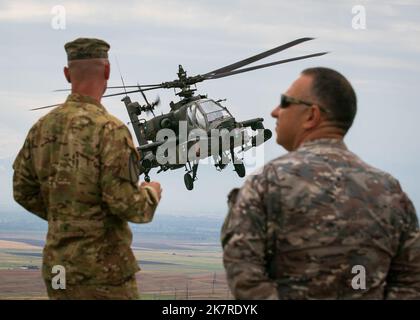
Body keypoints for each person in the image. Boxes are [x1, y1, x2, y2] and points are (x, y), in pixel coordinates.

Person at [221, 67, 420, 299]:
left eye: (285, 102)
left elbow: (245, 277)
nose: (275, 112)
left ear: (312, 116)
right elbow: (411, 282)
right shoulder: (390, 191)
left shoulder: (266, 183)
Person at [13, 38, 162, 299]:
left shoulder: (42, 127)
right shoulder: (110, 130)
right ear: (107, 72)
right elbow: (130, 207)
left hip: (58, 269)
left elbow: (22, 190)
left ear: (67, 74)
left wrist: (67, 216)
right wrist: (151, 193)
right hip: (104, 273)